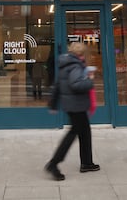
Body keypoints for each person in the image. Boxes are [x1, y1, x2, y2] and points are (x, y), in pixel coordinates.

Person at [44, 42, 100, 181]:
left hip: (72, 105)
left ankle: (87, 163)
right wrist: (90, 80)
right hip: (77, 106)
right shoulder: (75, 66)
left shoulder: (66, 64)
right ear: (81, 54)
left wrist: (53, 104)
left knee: (85, 132)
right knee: (73, 134)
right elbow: (76, 84)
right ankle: (53, 164)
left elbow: (57, 84)